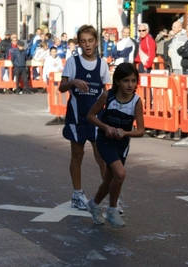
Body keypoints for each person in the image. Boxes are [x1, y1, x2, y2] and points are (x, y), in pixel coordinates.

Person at [58, 24, 111, 210]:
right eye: (83, 41)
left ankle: (112, 197)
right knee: (77, 154)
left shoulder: (102, 64)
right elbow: (61, 87)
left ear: (96, 42)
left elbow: (106, 91)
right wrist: (73, 82)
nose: (87, 45)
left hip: (97, 118)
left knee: (102, 157)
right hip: (77, 117)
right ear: (78, 43)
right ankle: (77, 194)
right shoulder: (72, 62)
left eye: (90, 41)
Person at [86, 63, 145, 227]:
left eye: (133, 81)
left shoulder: (136, 101)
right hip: (105, 141)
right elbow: (91, 116)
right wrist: (106, 127)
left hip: (122, 144)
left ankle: (94, 204)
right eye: (126, 81)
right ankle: (112, 210)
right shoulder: (107, 96)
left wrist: (125, 133)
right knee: (120, 174)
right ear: (118, 81)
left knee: (109, 180)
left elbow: (141, 130)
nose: (130, 85)